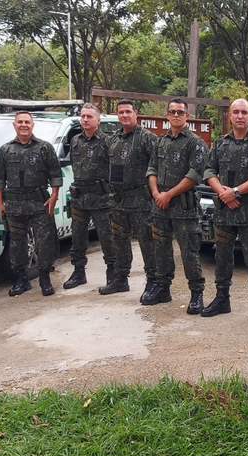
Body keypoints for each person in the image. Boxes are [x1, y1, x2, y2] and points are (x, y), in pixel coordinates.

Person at [201, 98, 248, 325]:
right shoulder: (220, 143)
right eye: (236, 112)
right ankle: (222, 298)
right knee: (221, 256)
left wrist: (236, 192)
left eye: (244, 112)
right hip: (224, 212)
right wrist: (223, 192)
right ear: (229, 116)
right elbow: (209, 170)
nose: (240, 116)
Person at [142, 98, 207, 311]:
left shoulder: (195, 143)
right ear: (167, 115)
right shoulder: (161, 142)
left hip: (183, 208)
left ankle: (196, 293)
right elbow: (151, 168)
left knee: (189, 252)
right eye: (172, 112)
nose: (176, 115)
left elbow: (195, 174)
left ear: (187, 116)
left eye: (180, 112)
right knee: (160, 249)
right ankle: (163, 288)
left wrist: (168, 194)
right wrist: (156, 193)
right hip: (160, 206)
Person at [0, 111, 62, 297]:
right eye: (20, 122)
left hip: (39, 203)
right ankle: (22, 279)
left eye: (27, 122)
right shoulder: (6, 150)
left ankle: (45, 278)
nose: (24, 125)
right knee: (17, 243)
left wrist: (54, 196)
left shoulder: (44, 148)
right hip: (14, 204)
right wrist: (0, 203)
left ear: (33, 125)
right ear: (14, 125)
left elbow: (55, 174)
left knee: (44, 241)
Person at [63, 102, 124, 295]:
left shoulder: (108, 141)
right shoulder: (75, 141)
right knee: (78, 238)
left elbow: (117, 170)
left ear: (98, 120)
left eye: (89, 116)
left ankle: (112, 273)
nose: (85, 119)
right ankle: (78, 272)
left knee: (107, 239)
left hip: (102, 199)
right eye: (83, 116)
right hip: (80, 198)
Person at [108, 99, 159, 303]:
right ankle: (120, 278)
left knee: (147, 242)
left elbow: (157, 166)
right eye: (121, 112)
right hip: (119, 201)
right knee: (119, 240)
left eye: (128, 111)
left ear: (136, 114)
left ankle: (153, 280)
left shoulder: (147, 138)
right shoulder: (113, 139)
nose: (125, 115)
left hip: (141, 201)